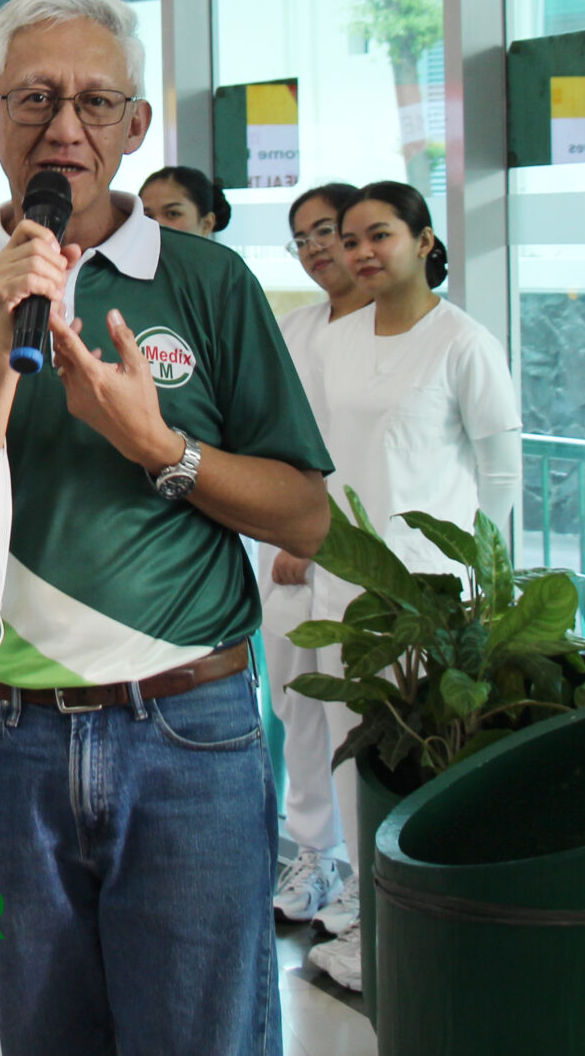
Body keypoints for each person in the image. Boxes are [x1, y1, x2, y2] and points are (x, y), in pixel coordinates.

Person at [0, 0, 332, 1056]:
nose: (64, 127)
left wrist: (159, 447)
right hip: (2, 736)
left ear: (135, 126)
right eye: (35, 98)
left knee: (201, 1034)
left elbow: (307, 517)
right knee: (45, 1035)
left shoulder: (210, 281)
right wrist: (1, 347)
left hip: (188, 727)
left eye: (95, 101)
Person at [301, 178, 520, 990]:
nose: (360, 251)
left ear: (425, 241)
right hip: (344, 579)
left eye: (380, 234)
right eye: (350, 238)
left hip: (430, 593)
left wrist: (482, 579)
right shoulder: (337, 341)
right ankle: (372, 920)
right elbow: (321, 453)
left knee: (417, 762)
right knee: (352, 756)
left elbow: (501, 470)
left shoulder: (463, 342)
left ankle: (420, 932)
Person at [260, 182, 363, 932]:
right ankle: (315, 855)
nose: (316, 248)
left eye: (326, 231)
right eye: (301, 238)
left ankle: (363, 873)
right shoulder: (293, 329)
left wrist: (321, 536)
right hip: (289, 552)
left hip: (359, 556)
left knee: (357, 718)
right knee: (296, 704)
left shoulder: (406, 334)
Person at [139, 164, 232, 238]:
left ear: (206, 225)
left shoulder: (226, 257)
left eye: (173, 214)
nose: (158, 225)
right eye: (148, 216)